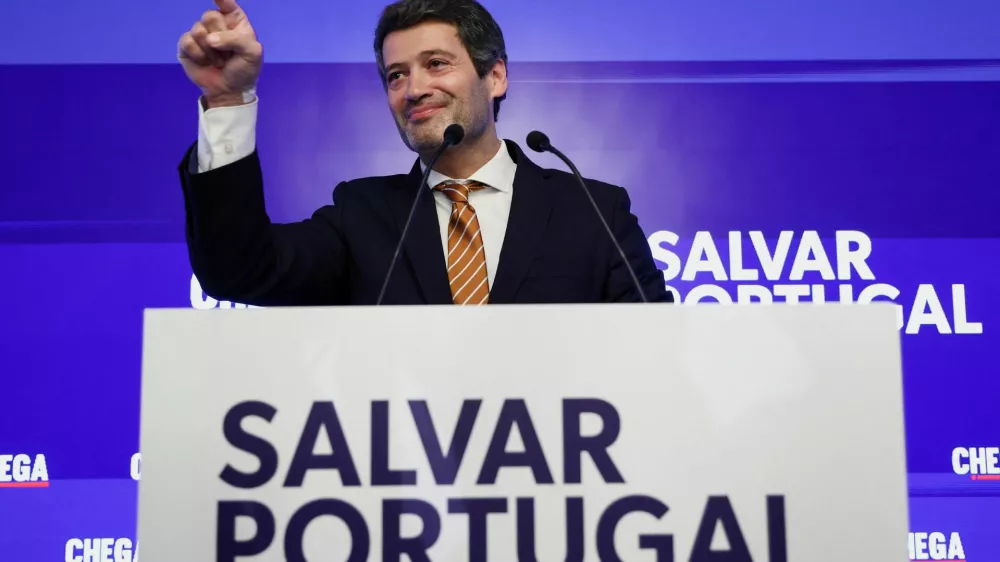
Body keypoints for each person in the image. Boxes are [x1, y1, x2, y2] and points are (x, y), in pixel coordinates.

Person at [176, 0, 672, 306]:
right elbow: (239, 271)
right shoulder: (360, 214)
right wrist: (228, 100)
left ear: (495, 76)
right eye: (396, 75)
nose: (413, 89)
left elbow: (657, 350)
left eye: (436, 63)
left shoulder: (594, 211)